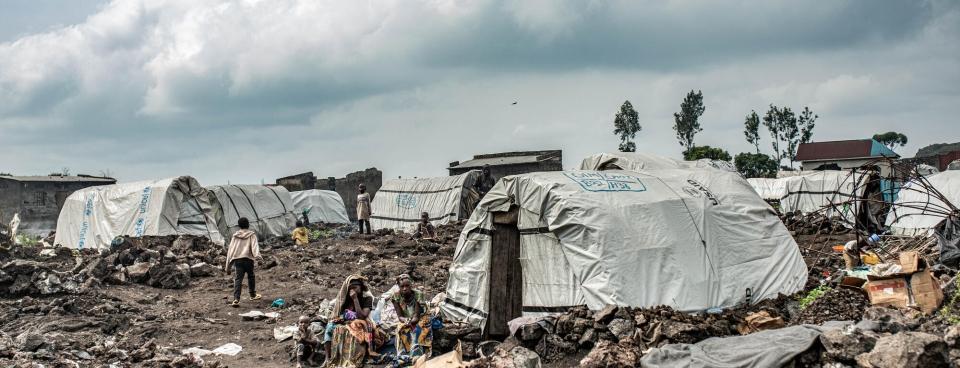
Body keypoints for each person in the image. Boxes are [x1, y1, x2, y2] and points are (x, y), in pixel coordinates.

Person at [323, 275, 378, 366]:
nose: (352, 291)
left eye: (355, 288)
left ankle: (360, 356)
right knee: (329, 326)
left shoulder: (367, 298)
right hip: (346, 322)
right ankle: (327, 358)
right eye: (350, 288)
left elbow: (362, 316)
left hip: (361, 322)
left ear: (361, 287)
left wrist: (355, 299)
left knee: (357, 325)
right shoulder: (346, 298)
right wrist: (339, 319)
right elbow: (342, 314)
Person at [391, 277, 433, 363]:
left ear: (411, 286)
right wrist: (406, 321)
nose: (405, 288)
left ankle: (416, 355)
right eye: (402, 286)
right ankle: (403, 356)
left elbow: (417, 316)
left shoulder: (418, 294)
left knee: (417, 328)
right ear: (398, 286)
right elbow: (400, 316)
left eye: (407, 286)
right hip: (406, 318)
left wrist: (410, 322)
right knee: (401, 329)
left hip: (421, 317)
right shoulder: (395, 296)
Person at [224, 217, 262, 307]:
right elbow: (255, 247)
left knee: (238, 279)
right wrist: (259, 258)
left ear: (239, 226)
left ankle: (236, 299)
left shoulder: (235, 236)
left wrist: (228, 267)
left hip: (238, 260)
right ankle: (252, 295)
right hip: (248, 260)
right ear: (248, 224)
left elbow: (230, 251)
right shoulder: (251, 235)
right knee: (251, 276)